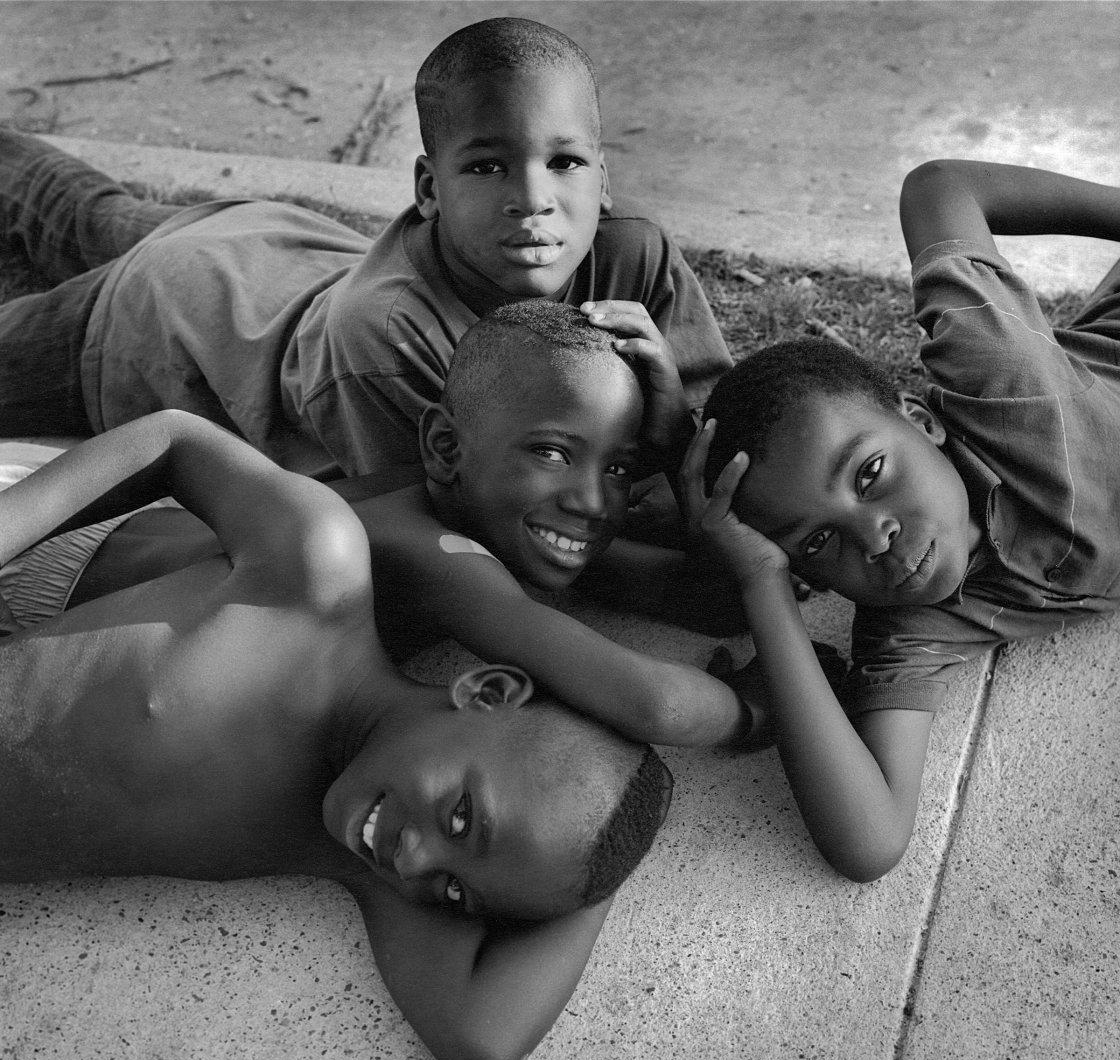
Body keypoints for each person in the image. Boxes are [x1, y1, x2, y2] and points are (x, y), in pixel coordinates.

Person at [0, 407, 674, 1060]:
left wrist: (599, 871)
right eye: (463, 816)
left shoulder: (352, 851)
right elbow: (175, 438)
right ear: (490, 693)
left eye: (455, 893)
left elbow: (481, 1040)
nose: (417, 861)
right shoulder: (316, 573)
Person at [0, 299, 761, 749]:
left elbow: (691, 591)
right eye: (554, 452)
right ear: (444, 446)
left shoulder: (495, 516)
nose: (593, 500)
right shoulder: (431, 551)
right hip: (43, 571)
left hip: (105, 528)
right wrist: (758, 709)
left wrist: (673, 450)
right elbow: (649, 700)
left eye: (620, 468)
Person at [0, 16, 731, 480]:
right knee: (82, 237)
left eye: (565, 163)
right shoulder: (385, 340)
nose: (534, 198)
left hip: (278, 246)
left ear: (603, 178)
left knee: (90, 212)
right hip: (166, 323)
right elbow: (473, 537)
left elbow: (720, 447)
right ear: (427, 188)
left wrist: (674, 421)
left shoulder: (633, 254)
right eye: (486, 165)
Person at [683, 159, 1120, 883]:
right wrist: (761, 581)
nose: (874, 536)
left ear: (921, 420)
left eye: (869, 474)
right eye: (817, 541)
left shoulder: (1002, 385)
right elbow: (868, 840)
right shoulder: (915, 624)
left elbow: (936, 187)